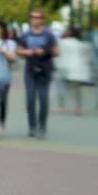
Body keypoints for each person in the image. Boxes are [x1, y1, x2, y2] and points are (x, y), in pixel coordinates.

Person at [17, 9, 59, 139]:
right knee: (30, 99)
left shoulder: (49, 35)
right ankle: (32, 127)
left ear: (42, 19)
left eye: (38, 17)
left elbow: (57, 51)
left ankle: (42, 127)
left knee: (43, 99)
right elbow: (19, 50)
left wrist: (44, 51)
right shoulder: (25, 35)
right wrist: (27, 52)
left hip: (44, 71)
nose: (35, 19)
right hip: (30, 70)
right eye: (33, 17)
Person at [54, 28, 93, 115]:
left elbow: (57, 53)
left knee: (61, 87)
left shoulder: (63, 42)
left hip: (63, 66)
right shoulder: (82, 44)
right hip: (77, 69)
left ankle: (61, 107)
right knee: (77, 90)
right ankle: (78, 108)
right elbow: (87, 57)